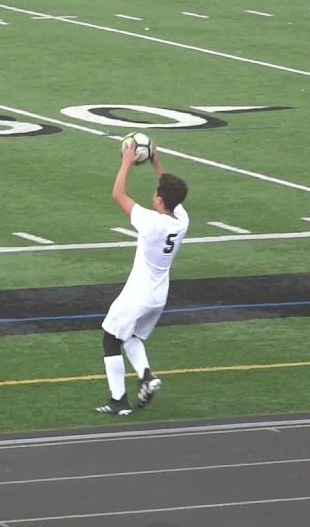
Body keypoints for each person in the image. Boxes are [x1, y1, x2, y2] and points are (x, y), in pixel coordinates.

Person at [96, 140, 189, 416]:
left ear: (160, 199)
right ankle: (147, 376)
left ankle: (118, 400)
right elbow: (172, 192)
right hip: (158, 296)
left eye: (157, 193)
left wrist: (126, 162)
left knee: (110, 338)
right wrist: (155, 162)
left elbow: (118, 194)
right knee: (133, 337)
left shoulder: (150, 222)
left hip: (138, 295)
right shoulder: (181, 220)